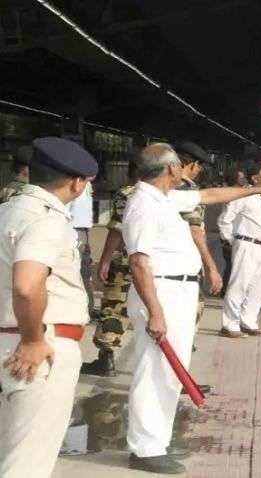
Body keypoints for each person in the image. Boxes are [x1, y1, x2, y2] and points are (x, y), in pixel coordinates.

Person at [122, 143, 261, 474]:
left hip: (178, 290)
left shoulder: (164, 198)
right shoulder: (143, 204)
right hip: (162, 291)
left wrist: (258, 188)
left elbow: (210, 195)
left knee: (170, 372)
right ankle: (145, 448)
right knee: (155, 370)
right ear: (171, 169)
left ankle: (156, 442)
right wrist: (156, 312)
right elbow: (139, 262)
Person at [0, 137, 98, 478]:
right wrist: (32, 340)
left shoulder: (8, 210)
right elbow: (27, 286)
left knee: (10, 454)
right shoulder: (46, 218)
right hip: (36, 348)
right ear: (77, 182)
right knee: (26, 465)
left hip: (9, 340)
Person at [81, 163, 137, 377]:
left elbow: (116, 231)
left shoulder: (127, 194)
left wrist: (105, 260)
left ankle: (106, 358)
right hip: (159, 262)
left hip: (126, 259)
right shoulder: (172, 195)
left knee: (115, 306)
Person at [218, 162, 261, 338]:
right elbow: (225, 220)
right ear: (255, 178)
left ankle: (248, 321)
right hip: (247, 244)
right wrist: (231, 241)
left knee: (259, 286)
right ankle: (229, 325)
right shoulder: (242, 197)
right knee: (239, 284)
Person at [173, 142, 222, 324]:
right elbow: (195, 232)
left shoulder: (162, 186)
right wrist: (211, 267)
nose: (199, 171)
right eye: (199, 167)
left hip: (163, 264)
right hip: (184, 264)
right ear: (193, 165)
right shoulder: (187, 189)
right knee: (188, 317)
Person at [69, 181, 95, 318]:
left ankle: (87, 308)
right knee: (77, 272)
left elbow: (82, 214)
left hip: (78, 229)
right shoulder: (79, 182)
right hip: (74, 228)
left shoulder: (85, 184)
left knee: (82, 272)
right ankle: (85, 308)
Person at [220, 166, 247, 294]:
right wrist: (228, 239)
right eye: (242, 178)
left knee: (233, 265)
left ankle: (225, 290)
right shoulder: (233, 194)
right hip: (231, 237)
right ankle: (226, 291)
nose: (244, 179)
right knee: (233, 265)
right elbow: (224, 219)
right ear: (235, 179)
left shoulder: (241, 192)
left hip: (234, 235)